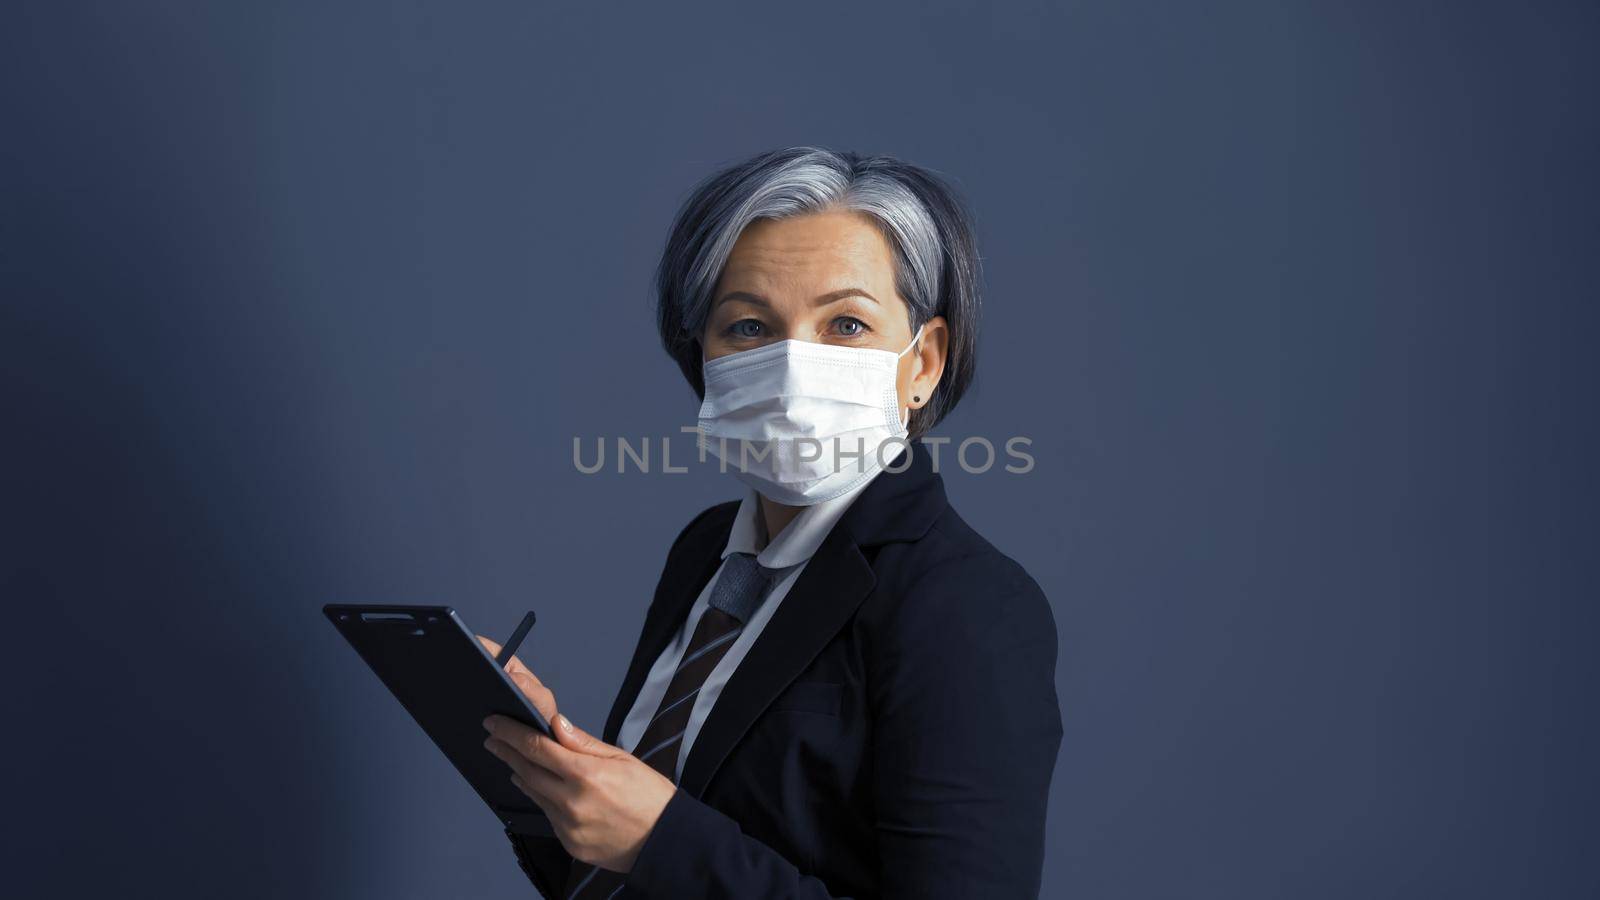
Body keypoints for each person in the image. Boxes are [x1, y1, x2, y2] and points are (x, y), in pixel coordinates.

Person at [479, 146, 1063, 898]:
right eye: (749, 327)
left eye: (846, 325)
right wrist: (546, 772)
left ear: (923, 363)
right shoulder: (706, 552)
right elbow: (616, 867)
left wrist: (664, 839)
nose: (792, 369)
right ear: (704, 357)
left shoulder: (969, 607)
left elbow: (665, 847)